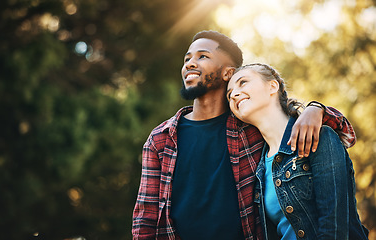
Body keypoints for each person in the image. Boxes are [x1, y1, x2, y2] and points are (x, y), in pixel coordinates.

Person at [132, 30, 357, 240]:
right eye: (187, 58)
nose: (190, 63)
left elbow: (326, 131)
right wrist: (316, 109)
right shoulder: (161, 139)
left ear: (227, 72)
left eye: (202, 56)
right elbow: (146, 219)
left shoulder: (249, 128)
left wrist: (316, 108)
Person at [227, 63, 369, 240]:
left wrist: (316, 107)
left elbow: (334, 230)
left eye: (243, 82)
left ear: (272, 86)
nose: (233, 94)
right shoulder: (257, 168)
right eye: (229, 93)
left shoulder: (320, 137)